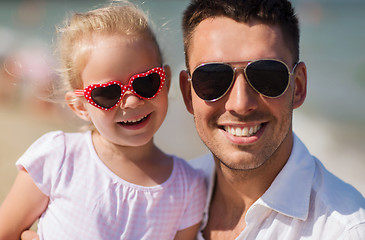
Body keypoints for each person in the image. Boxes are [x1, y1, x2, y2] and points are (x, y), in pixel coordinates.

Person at [0, 1, 206, 239]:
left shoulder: (187, 187)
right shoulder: (59, 158)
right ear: (80, 107)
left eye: (146, 83)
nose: (131, 102)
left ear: (166, 81)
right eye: (108, 93)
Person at [179, 0, 365, 239]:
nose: (240, 104)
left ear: (298, 86)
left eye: (266, 76)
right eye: (212, 79)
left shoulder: (345, 231)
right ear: (187, 94)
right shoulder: (163, 199)